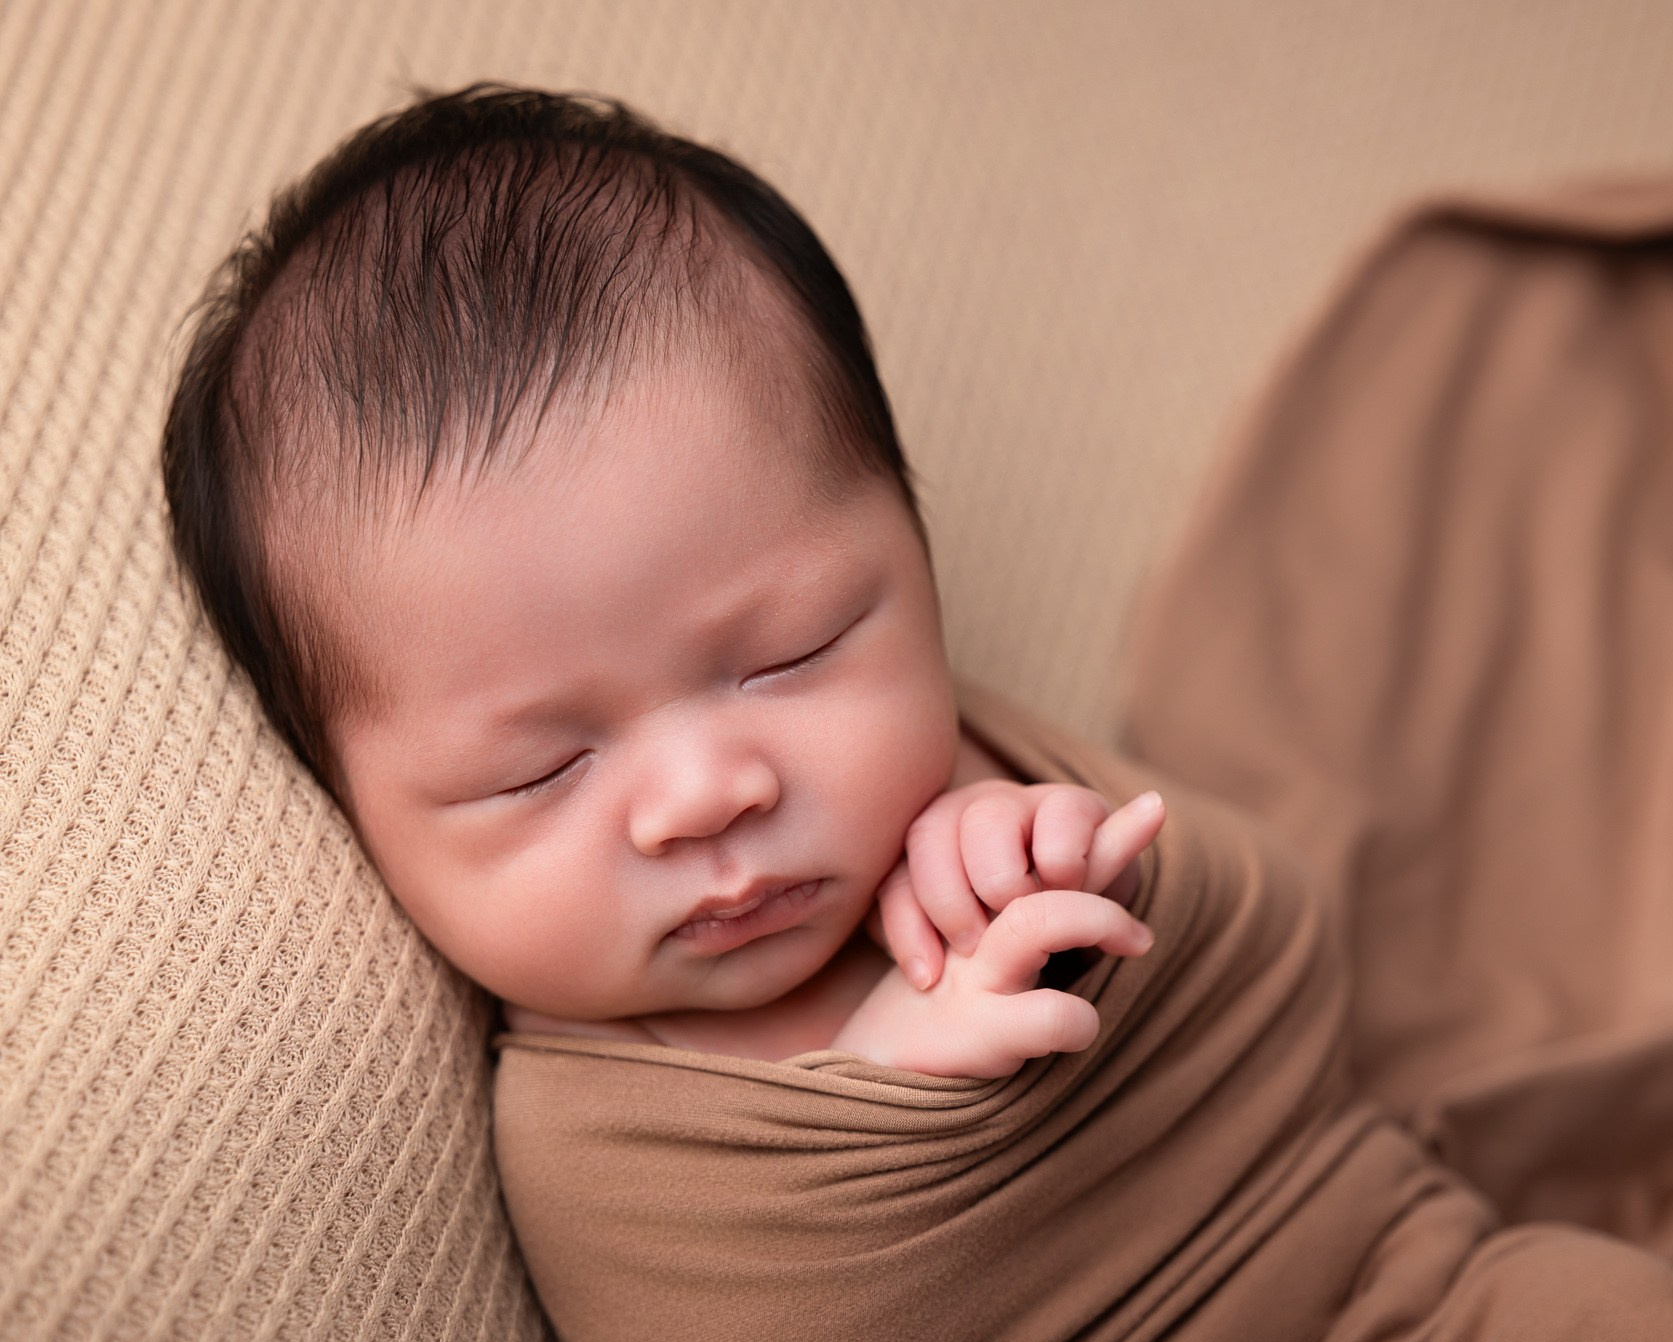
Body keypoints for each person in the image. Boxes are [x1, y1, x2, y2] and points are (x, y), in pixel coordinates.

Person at [159, 82, 1164, 1080]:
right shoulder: (604, 1126)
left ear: (916, 545)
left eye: (789, 654)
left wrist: (1058, 860)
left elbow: (1238, 947)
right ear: (349, 808)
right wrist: (879, 1094)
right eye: (539, 772)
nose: (701, 799)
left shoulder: (968, 800)